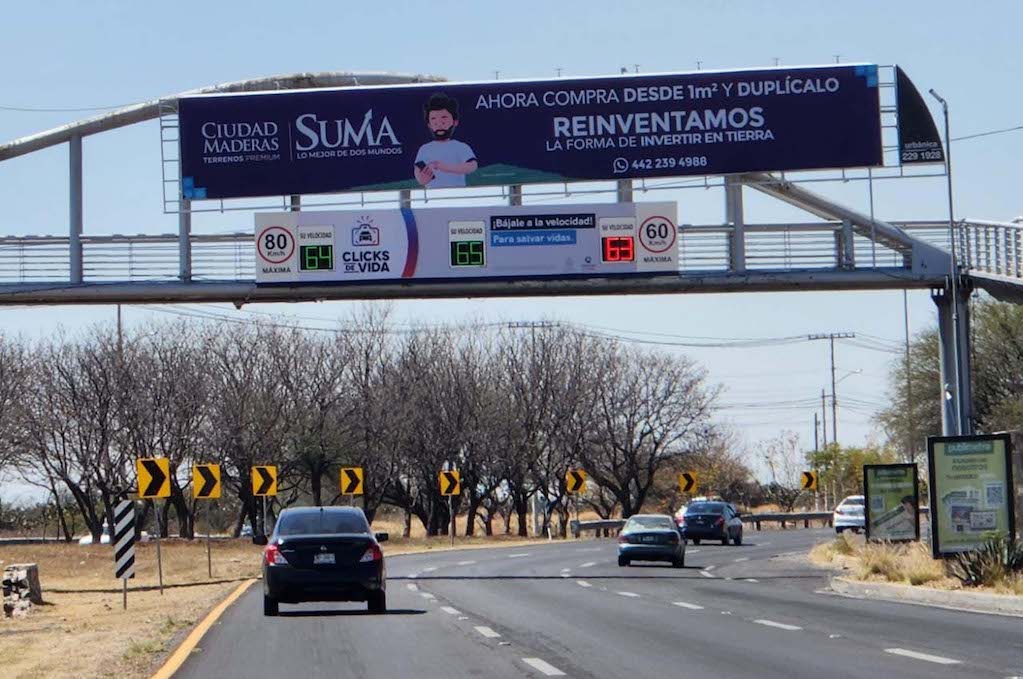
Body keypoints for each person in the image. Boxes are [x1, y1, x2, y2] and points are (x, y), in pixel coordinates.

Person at [413, 93, 478, 188]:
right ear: (429, 124)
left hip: (457, 194)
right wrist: (422, 179)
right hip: (432, 196)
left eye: (444, 119)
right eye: (434, 120)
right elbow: (417, 170)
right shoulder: (425, 148)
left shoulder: (460, 146)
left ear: (455, 121)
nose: (439, 124)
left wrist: (444, 167)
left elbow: (472, 165)